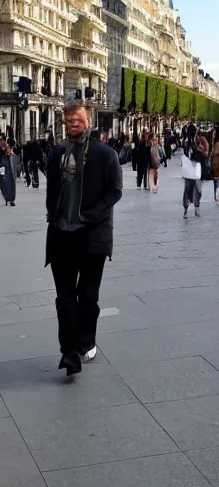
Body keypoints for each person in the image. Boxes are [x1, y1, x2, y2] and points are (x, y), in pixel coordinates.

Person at [45, 100, 123, 376]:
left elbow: (115, 191)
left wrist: (92, 215)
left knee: (88, 296)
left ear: (87, 120)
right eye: (68, 121)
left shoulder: (105, 154)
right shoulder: (57, 152)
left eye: (77, 119)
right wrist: (52, 215)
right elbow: (52, 189)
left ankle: (85, 340)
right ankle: (69, 352)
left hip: (92, 236)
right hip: (62, 235)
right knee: (64, 297)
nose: (72, 124)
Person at [183, 134, 209, 218]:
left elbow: (205, 167)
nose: (199, 145)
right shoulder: (194, 151)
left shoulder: (204, 155)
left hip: (198, 176)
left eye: (201, 144)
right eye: (198, 143)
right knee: (188, 192)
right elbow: (191, 161)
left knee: (198, 192)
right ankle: (186, 210)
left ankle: (196, 207)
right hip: (191, 175)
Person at [0, 136, 16, 206]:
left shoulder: (6, 147)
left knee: (6, 182)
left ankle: (8, 198)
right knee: (6, 182)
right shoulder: (5, 148)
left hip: (4, 166)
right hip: (5, 166)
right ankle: (9, 198)